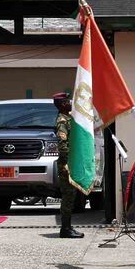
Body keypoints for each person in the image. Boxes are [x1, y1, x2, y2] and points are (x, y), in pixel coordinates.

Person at [54, 92, 84, 239]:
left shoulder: (68, 118)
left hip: (70, 162)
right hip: (66, 164)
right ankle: (65, 229)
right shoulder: (62, 121)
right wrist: (67, 162)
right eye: (68, 101)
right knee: (68, 196)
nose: (71, 103)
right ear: (63, 105)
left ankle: (68, 227)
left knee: (71, 196)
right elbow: (62, 144)